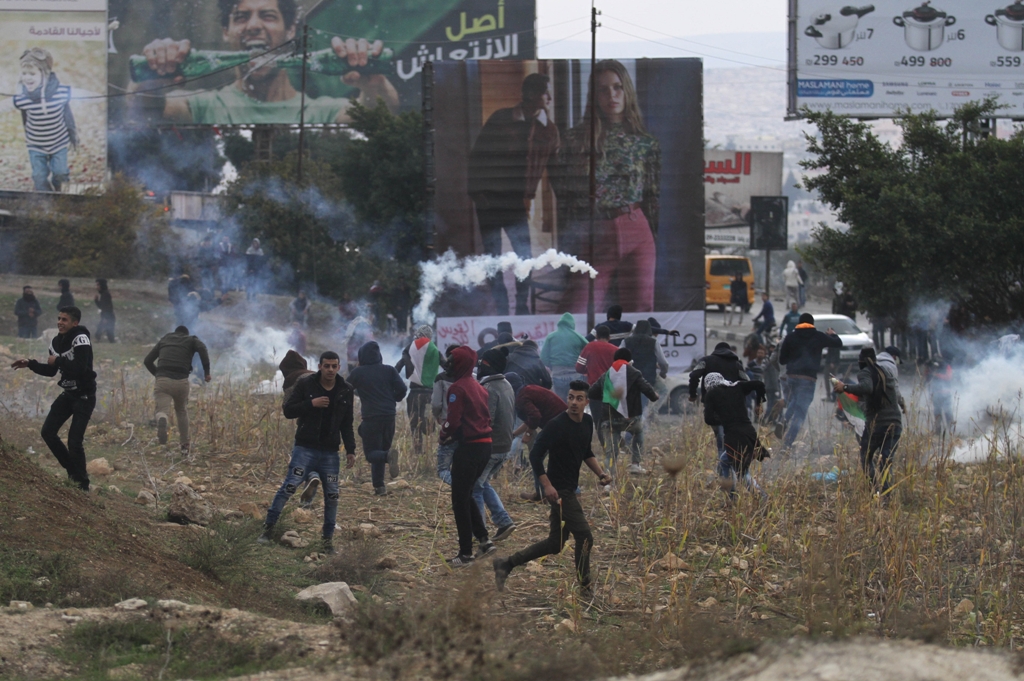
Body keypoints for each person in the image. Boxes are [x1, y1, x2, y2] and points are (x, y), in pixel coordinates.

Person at [129, 0, 398, 125]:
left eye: (268, 16)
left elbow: (380, 115)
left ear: (290, 30)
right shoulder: (201, 107)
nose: (253, 26)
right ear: (226, 31)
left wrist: (375, 85)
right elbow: (142, 109)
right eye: (241, 17)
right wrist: (150, 78)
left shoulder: (323, 113)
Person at [553, 60, 661, 313]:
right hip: (595, 232)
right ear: (594, 95)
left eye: (617, 87)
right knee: (577, 310)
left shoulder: (645, 142)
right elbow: (564, 195)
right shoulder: (574, 139)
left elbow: (653, 196)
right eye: (603, 89)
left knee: (640, 310)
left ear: (627, 90)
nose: (611, 95)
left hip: (637, 228)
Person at [493, 380, 613, 594]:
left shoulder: (587, 422)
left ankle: (506, 564)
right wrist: (547, 485)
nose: (573, 402)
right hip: (560, 490)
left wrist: (601, 473)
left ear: (586, 402)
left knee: (555, 544)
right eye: (570, 397)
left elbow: (586, 451)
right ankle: (585, 588)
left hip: (569, 487)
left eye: (579, 398)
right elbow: (535, 455)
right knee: (585, 537)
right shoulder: (556, 425)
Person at [468, 73, 559, 315]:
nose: (550, 98)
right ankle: (501, 306)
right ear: (530, 94)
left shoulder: (549, 131)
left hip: (515, 201)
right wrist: (476, 192)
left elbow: (556, 169)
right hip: (488, 198)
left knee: (524, 255)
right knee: (492, 257)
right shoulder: (501, 118)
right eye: (545, 92)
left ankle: (521, 304)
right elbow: (477, 155)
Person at [259, 351, 355, 554]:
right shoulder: (306, 384)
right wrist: (311, 404)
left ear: (339, 368)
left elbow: (347, 423)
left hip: (330, 451)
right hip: (305, 447)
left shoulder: (345, 389)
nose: (330, 370)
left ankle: (327, 542)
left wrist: (351, 450)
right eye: (326, 366)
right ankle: (267, 531)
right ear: (320, 366)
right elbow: (289, 410)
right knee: (288, 487)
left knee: (332, 496)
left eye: (334, 366)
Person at [10, 306, 96, 491]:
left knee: (74, 441)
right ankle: (73, 473)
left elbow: (80, 367)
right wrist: (30, 364)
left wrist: (58, 361)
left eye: (64, 319)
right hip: (68, 394)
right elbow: (51, 371)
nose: (60, 322)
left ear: (75, 323)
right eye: (59, 319)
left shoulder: (81, 338)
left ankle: (82, 486)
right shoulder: (56, 342)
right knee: (48, 432)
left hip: (84, 396)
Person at [437, 346, 495, 566]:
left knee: (459, 500)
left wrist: (443, 435)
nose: (449, 365)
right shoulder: (479, 387)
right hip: (485, 447)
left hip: (469, 448)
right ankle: (484, 540)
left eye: (452, 361)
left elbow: (453, 420)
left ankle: (465, 553)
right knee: (466, 493)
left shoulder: (457, 388)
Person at [834, 348, 904, 495]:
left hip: (878, 424)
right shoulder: (886, 372)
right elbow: (891, 393)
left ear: (862, 360)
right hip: (895, 423)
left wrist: (844, 387)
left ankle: (873, 492)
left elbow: (866, 387)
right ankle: (886, 495)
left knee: (866, 457)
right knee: (886, 460)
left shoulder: (866, 372)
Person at [347, 341, 408, 496]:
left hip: (371, 417)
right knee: (381, 450)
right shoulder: (389, 370)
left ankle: (387, 457)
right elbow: (402, 389)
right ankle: (379, 487)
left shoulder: (358, 372)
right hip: (389, 416)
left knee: (372, 453)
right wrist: (393, 399)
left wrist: (358, 393)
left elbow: (344, 389)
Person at [13, 48, 76, 192]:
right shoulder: (23, 98)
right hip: (35, 144)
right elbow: (5, 105)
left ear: (44, 74)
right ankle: (45, 197)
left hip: (58, 142)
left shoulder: (60, 92)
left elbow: (85, 96)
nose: (27, 77)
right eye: (24, 73)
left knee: (61, 173)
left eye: (32, 74)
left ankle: (60, 192)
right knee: (39, 176)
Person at [588, 348, 659, 475]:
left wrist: (607, 397)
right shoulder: (634, 372)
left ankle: (608, 478)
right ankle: (635, 464)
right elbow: (646, 388)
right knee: (638, 432)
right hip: (630, 418)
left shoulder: (606, 374)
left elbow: (592, 393)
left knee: (611, 451)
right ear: (629, 360)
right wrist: (654, 396)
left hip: (609, 418)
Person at [778, 313, 843, 450]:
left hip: (791, 377)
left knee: (794, 399)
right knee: (800, 413)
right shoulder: (818, 336)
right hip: (808, 379)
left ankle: (784, 420)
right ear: (812, 323)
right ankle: (787, 444)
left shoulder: (790, 337)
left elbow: (782, 360)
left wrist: (793, 358)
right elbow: (838, 343)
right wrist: (832, 334)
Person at [143, 325, 211, 452]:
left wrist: (158, 375)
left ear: (175, 333)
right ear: (186, 334)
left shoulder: (165, 339)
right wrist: (206, 372)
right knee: (181, 411)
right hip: (181, 382)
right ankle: (185, 445)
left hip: (163, 381)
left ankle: (162, 419)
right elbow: (202, 348)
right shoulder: (191, 340)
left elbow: (147, 361)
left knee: (161, 411)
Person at [702, 372, 767, 501]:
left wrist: (724, 419)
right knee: (724, 461)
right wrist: (759, 403)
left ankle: (761, 497)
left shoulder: (711, 394)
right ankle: (731, 496)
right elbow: (759, 384)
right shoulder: (738, 386)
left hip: (734, 436)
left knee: (741, 471)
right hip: (749, 432)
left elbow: (708, 419)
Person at [474, 348, 517, 542]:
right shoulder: (506, 384)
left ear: (488, 365)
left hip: (492, 447)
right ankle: (503, 521)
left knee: (474, 487)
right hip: (505, 446)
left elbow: (486, 421)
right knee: (482, 483)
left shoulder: (489, 388)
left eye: (483, 363)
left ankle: (479, 533)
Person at [689, 341, 749, 456]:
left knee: (720, 435)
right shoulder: (736, 364)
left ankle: (723, 460)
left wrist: (693, 394)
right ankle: (728, 459)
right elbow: (746, 381)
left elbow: (694, 375)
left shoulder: (705, 361)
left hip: (712, 403)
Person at [512, 381, 568, 501]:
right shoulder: (528, 390)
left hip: (558, 425)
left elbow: (535, 417)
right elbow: (530, 419)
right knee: (559, 458)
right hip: (563, 421)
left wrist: (528, 433)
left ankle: (543, 493)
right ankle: (545, 492)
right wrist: (514, 434)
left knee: (536, 456)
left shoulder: (521, 398)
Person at [395, 325, 441, 457]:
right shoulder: (434, 349)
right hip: (429, 394)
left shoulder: (410, 349)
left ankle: (418, 451)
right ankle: (427, 430)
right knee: (428, 426)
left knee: (414, 425)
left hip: (414, 394)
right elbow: (446, 365)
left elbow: (398, 367)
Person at [622, 319, 668, 412]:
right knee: (661, 391)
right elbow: (663, 362)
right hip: (648, 377)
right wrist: (663, 373)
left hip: (630, 377)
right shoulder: (653, 342)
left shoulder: (626, 341)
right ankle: (652, 411)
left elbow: (618, 357)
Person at [541, 313, 588, 402]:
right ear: (572, 324)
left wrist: (553, 366)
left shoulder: (551, 336)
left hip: (557, 374)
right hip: (575, 375)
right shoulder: (577, 336)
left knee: (560, 403)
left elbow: (543, 357)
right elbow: (589, 349)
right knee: (575, 402)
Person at [431, 346, 458, 485]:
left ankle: (460, 487)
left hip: (447, 424)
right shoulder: (472, 378)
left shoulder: (441, 378)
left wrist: (437, 415)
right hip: (468, 428)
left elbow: (436, 404)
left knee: (443, 469)